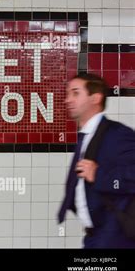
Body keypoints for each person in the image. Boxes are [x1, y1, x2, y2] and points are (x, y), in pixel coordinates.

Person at [58, 73, 135, 248]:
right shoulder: (85, 137)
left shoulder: (117, 134)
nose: (68, 100)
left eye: (75, 93)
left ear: (95, 98)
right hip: (95, 237)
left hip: (115, 238)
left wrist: (99, 175)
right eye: (68, 93)